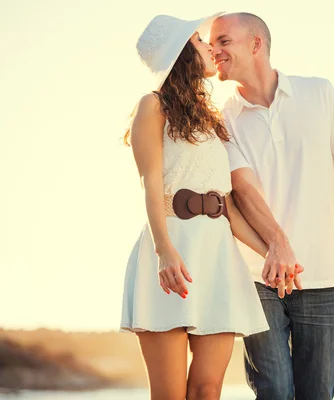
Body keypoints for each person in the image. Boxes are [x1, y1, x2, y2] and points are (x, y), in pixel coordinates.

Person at [209, 12, 334, 400]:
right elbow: (243, 188)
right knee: (273, 390)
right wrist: (278, 243)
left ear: (256, 43)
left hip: (322, 276)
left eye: (224, 41)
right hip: (257, 277)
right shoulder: (222, 119)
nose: (214, 50)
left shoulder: (319, 93)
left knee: (317, 394)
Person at [119, 13, 274, 400]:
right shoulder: (152, 107)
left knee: (208, 389)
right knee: (170, 394)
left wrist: (272, 254)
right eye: (200, 41)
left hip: (217, 255)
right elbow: (150, 185)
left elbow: (225, 206)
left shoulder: (211, 120)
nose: (210, 47)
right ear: (181, 53)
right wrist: (164, 251)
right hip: (171, 254)